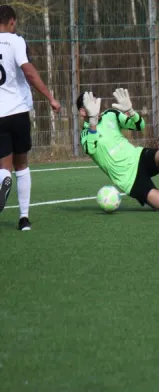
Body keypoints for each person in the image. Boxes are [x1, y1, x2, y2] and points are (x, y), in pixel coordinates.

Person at [77, 88, 159, 212]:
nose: (95, 107)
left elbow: (139, 126)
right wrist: (93, 123)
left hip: (138, 156)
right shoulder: (85, 134)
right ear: (82, 111)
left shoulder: (110, 114)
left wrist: (131, 111)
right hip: (129, 179)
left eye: (95, 102)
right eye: (90, 104)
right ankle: (150, 199)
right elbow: (90, 149)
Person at [0, 4, 61, 230]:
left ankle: (1, 181)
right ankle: (24, 218)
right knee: (22, 164)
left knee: (4, 167)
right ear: (12, 22)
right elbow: (29, 73)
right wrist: (50, 98)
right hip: (17, 111)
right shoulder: (16, 41)